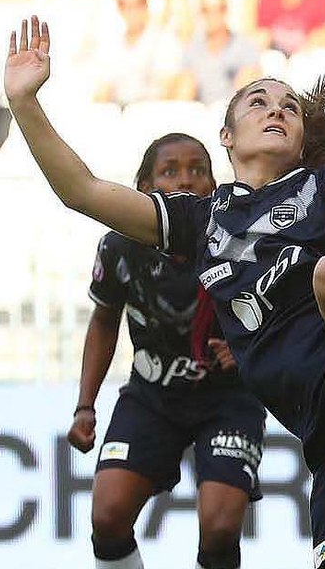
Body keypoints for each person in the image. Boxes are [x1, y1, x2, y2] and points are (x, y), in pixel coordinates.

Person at [5, 14, 325, 569]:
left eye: (289, 107)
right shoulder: (201, 220)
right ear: (226, 136)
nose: (276, 109)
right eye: (258, 102)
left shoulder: (323, 186)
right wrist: (24, 104)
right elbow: (82, 191)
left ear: (301, 141)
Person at [69, 133, 265, 569]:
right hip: (152, 397)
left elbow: (281, 312)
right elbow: (104, 320)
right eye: (169, 171)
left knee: (219, 526)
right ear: (143, 188)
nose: (185, 181)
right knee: (108, 514)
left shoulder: (242, 240)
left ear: (215, 186)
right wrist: (85, 406)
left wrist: (247, 352)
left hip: (228, 400)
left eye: (198, 171)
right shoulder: (119, 245)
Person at [182, 0, 262, 106]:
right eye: (205, 10)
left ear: (226, 10)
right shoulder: (191, 49)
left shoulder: (245, 46)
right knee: (185, 83)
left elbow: (248, 91)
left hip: (232, 114)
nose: (212, 15)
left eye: (218, 9)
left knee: (248, 79)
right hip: (198, 115)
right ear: (200, 13)